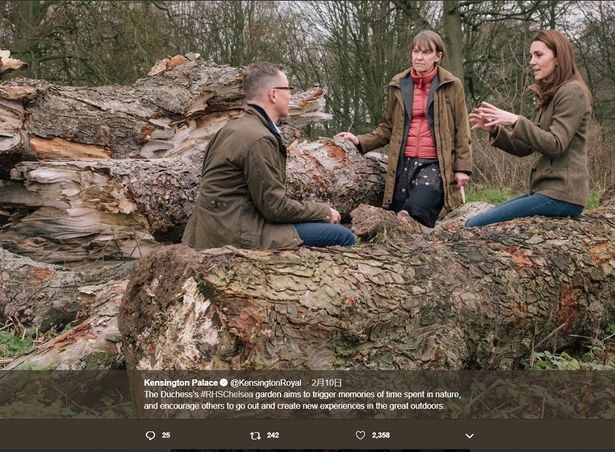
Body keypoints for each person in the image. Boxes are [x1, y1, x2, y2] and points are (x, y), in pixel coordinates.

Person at [182, 62, 356, 249]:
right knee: (344, 236)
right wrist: (323, 212)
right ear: (273, 94)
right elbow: (274, 208)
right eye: (288, 89)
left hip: (213, 229)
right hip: (234, 235)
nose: (290, 95)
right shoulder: (259, 138)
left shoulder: (232, 128)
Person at [335, 30, 472, 228]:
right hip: (403, 164)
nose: (418, 57)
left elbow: (462, 128)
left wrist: (462, 168)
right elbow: (387, 127)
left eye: (425, 52)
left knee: (415, 213)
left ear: (438, 56)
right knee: (395, 217)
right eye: (415, 51)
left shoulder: (451, 85)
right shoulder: (399, 84)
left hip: (435, 164)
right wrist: (360, 140)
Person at [466, 29, 592, 227]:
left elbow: (555, 145)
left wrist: (517, 120)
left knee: (475, 226)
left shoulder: (573, 91)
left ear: (559, 58)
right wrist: (494, 130)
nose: (532, 61)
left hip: (563, 196)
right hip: (546, 193)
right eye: (531, 56)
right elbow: (525, 148)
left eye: (539, 55)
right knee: (474, 221)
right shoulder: (551, 95)